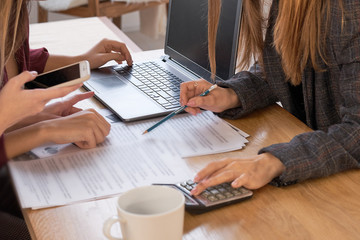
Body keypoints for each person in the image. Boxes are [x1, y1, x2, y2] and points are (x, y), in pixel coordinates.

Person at [180, 0, 360, 195]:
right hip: (325, 175)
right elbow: (281, 66)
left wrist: (273, 161)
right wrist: (231, 94)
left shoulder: (349, 9)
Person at [0, 0, 133, 238]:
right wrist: (43, 130)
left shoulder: (14, 9)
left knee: (79, 207)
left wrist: (35, 119)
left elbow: (16, 55)